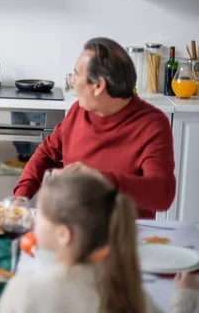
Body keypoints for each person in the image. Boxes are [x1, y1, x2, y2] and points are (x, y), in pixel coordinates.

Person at [13, 37, 175, 219]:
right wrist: (21, 196)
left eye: (76, 75)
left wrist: (101, 180)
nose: (72, 81)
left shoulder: (152, 125)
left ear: (99, 85)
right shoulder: (78, 111)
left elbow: (162, 194)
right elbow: (46, 154)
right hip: (73, 228)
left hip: (125, 236)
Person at [0, 172, 199, 313]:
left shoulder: (23, 291)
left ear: (64, 235)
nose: (33, 219)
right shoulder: (127, 292)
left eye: (40, 214)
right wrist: (186, 296)